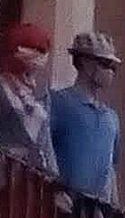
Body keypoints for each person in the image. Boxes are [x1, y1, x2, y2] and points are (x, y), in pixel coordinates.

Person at [0, 21, 58, 218]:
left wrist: (54, 180)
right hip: (4, 179)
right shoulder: (1, 88)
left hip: (32, 185)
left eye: (43, 52)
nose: (41, 59)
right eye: (36, 51)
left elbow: (45, 143)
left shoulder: (40, 97)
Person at [46, 31, 119, 205]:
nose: (111, 72)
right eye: (106, 64)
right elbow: (41, 151)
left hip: (96, 214)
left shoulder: (111, 118)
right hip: (63, 207)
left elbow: (110, 171)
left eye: (114, 67)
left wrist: (115, 211)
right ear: (87, 63)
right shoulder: (57, 103)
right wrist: (53, 192)